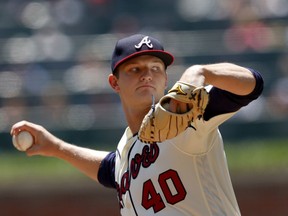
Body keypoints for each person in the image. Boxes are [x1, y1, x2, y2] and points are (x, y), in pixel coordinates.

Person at [11, 34, 264, 216]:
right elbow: (111, 170)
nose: (147, 74)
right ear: (114, 83)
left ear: (165, 79)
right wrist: (55, 147)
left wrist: (203, 72)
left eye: (156, 68)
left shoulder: (188, 114)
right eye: (134, 69)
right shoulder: (126, 147)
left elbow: (252, 86)